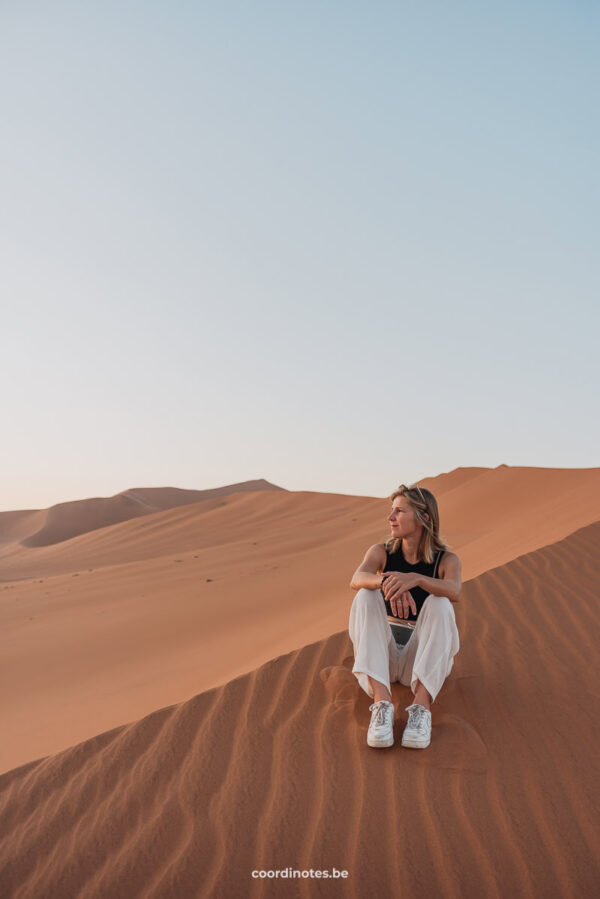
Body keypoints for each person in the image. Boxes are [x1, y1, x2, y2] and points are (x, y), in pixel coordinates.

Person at [348, 483, 461, 749]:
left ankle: (421, 708)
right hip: (383, 659)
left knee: (441, 603)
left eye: (399, 511)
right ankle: (382, 704)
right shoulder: (382, 552)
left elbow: (455, 590)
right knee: (365, 594)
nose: (390, 518)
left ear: (423, 517)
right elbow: (356, 578)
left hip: (418, 661)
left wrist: (416, 580)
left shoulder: (446, 560)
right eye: (391, 511)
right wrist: (386, 583)